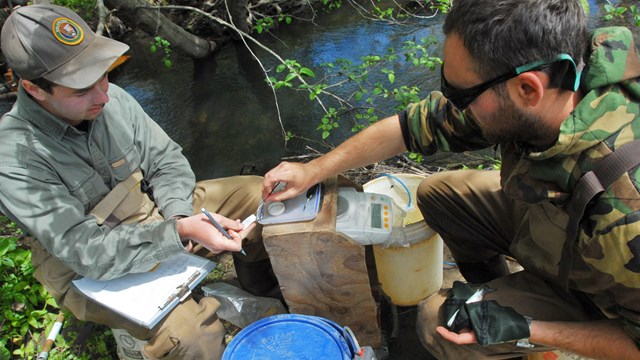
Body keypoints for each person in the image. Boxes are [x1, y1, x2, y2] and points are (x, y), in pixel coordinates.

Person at [262, 0, 640, 358]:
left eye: (459, 93)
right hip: (560, 222)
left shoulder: (625, 210)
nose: (450, 102)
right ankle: (490, 293)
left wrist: (527, 328)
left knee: (435, 323)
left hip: (606, 286)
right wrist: (312, 170)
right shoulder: (561, 78)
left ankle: (506, 337)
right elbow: (409, 128)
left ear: (527, 89)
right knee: (439, 193)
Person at [0, 4, 280, 359]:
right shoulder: (15, 156)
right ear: (34, 89)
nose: (103, 94)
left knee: (259, 196)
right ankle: (137, 343)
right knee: (192, 336)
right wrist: (178, 234)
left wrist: (178, 217)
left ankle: (263, 289)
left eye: (103, 74)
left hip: (153, 216)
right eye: (81, 88)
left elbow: (166, 161)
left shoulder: (109, 100)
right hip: (88, 269)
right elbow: (84, 251)